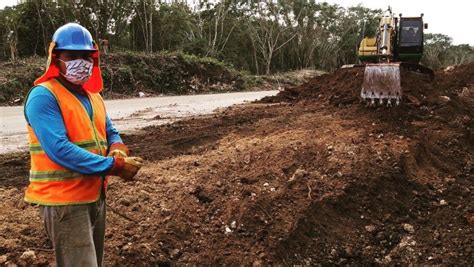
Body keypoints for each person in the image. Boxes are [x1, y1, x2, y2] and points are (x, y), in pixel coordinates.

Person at [23, 23, 143, 267]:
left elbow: (109, 130)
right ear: (56, 58)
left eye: (86, 56)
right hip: (64, 203)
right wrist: (114, 165)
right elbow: (60, 150)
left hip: (93, 197)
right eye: (72, 56)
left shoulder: (92, 96)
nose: (81, 62)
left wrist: (117, 147)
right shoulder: (43, 96)